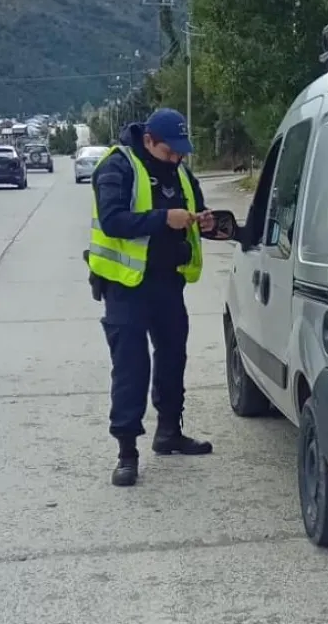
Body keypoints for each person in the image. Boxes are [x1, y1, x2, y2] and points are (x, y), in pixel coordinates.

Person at [88, 107, 217, 487]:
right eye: (169, 151)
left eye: (181, 152)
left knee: (173, 356)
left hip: (168, 283)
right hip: (126, 287)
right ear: (148, 141)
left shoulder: (180, 171)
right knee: (131, 367)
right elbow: (112, 220)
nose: (176, 158)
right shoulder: (118, 167)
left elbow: (193, 212)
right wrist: (163, 219)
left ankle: (169, 432)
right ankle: (126, 452)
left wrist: (204, 221)